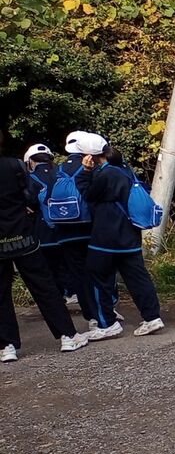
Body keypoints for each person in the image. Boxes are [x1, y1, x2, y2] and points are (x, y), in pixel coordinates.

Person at [0, 128, 88, 362]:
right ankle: (67, 336)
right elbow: (30, 197)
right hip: (23, 236)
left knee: (1, 294)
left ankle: (7, 346)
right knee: (44, 286)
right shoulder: (15, 165)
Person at [75, 134, 164, 340]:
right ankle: (152, 317)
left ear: (90, 156)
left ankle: (107, 323)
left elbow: (88, 195)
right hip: (130, 235)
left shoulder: (105, 174)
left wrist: (85, 172)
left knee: (97, 277)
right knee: (137, 277)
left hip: (107, 237)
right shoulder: (125, 169)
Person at [25, 140, 100, 331]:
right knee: (85, 271)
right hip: (82, 227)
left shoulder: (33, 177)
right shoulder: (63, 172)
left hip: (48, 234)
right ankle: (99, 310)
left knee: (52, 274)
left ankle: (64, 308)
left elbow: (33, 202)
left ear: (30, 161)